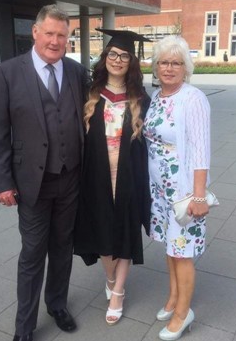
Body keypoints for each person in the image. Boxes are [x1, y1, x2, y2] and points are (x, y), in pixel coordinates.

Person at [0, 5, 90, 341]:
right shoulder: (7, 73)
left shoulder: (76, 72)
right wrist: (2, 183)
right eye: (50, 33)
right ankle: (24, 326)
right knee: (32, 253)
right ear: (35, 32)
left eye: (62, 35)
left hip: (71, 177)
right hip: (31, 182)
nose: (55, 41)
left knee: (63, 247)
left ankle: (57, 304)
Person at [74, 29, 151, 326]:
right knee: (104, 237)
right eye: (113, 54)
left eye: (124, 56)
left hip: (128, 178)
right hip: (97, 177)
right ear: (105, 57)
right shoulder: (91, 94)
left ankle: (118, 291)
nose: (117, 60)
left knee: (126, 232)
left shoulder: (141, 99)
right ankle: (110, 276)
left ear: (131, 61)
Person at [143, 36, 211, 341]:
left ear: (186, 67)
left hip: (183, 192)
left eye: (175, 62)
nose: (168, 68)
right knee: (171, 249)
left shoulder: (192, 98)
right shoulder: (157, 96)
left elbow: (200, 150)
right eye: (163, 62)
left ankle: (184, 313)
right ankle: (173, 298)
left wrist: (198, 196)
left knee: (182, 253)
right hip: (159, 190)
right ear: (156, 67)